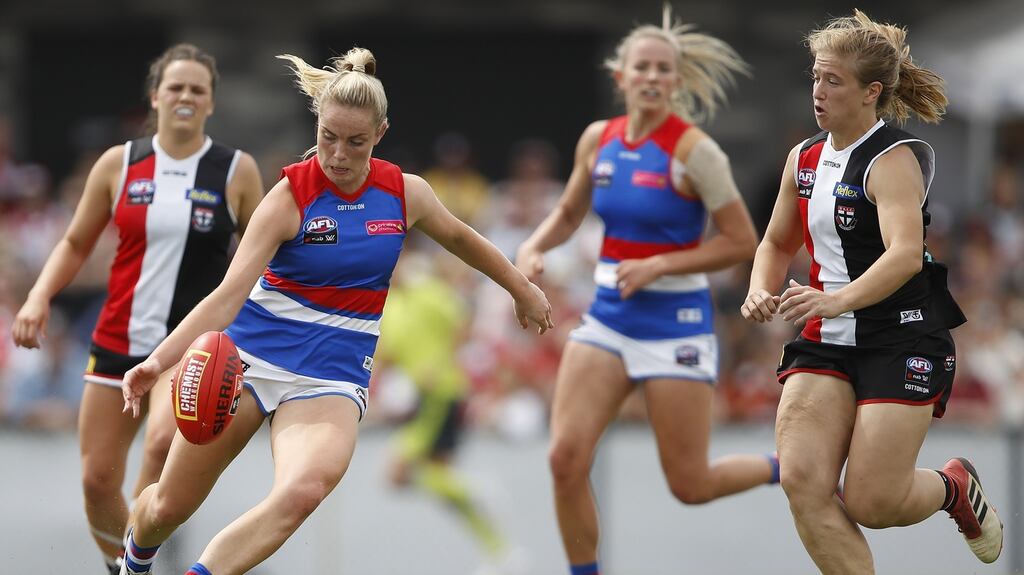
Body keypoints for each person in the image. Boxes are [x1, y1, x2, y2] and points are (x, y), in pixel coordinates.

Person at [118, 47, 553, 575]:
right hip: (249, 361)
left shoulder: (404, 193)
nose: (338, 154)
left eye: (355, 142)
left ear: (380, 134)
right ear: (317, 126)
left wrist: (521, 288)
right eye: (328, 137)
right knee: (166, 508)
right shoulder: (288, 198)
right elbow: (227, 296)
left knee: (302, 492)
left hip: (332, 374)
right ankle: (132, 557)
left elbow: (463, 239)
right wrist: (157, 362)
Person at [515, 8, 777, 575]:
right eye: (642, 67)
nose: (652, 76)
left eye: (663, 69)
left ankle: (787, 468)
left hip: (675, 323)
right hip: (609, 318)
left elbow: (742, 242)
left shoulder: (695, 151)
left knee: (690, 484)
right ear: (621, 76)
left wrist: (659, 265)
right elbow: (569, 212)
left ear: (676, 81)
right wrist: (533, 246)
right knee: (564, 459)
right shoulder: (599, 139)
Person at [740, 9, 1002, 573]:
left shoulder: (892, 160)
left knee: (872, 502)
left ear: (871, 92)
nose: (818, 91)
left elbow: (905, 254)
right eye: (815, 76)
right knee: (802, 481)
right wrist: (759, 289)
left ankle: (953, 487)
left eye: (833, 81)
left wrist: (836, 299)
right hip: (826, 338)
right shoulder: (804, 158)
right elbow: (775, 243)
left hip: (901, 337)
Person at [11, 43, 264, 575]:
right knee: (96, 480)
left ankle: (141, 558)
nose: (186, 96)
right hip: (117, 340)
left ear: (211, 101)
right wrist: (38, 296)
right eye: (176, 87)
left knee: (160, 444)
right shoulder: (119, 163)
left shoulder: (235, 171)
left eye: (197, 89)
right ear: (155, 96)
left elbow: (260, 256)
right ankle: (124, 566)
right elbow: (75, 242)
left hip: (188, 348)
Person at [376, 248, 517, 574]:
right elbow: (387, 355)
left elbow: (463, 327)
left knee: (398, 472)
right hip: (423, 397)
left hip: (441, 393)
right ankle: (499, 550)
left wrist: (438, 364)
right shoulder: (391, 306)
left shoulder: (429, 293)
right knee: (440, 484)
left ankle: (479, 490)